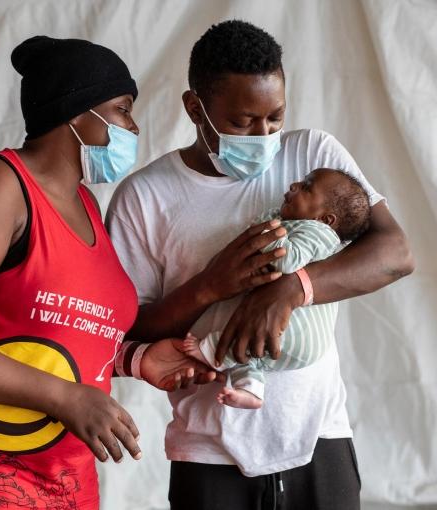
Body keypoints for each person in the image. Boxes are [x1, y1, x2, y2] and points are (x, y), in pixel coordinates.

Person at [0, 36, 213, 510]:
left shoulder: (86, 206)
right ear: (77, 114)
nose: (133, 125)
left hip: (63, 483)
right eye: (122, 109)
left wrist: (135, 361)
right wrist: (66, 399)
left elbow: (62, 339)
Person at [106, 21, 414, 510]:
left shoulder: (313, 157)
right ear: (194, 108)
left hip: (320, 436)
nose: (264, 135)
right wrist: (210, 286)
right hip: (208, 449)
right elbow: (124, 330)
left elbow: (395, 253)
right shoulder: (145, 198)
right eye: (242, 122)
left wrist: (292, 289)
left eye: (275, 117)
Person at [182, 168, 372, 409]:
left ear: (326, 219)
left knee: (243, 336)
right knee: (249, 352)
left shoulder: (319, 233)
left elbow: (287, 260)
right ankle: (250, 389)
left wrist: (268, 228)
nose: (294, 185)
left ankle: (212, 351)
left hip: (300, 333)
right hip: (294, 338)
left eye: (306, 187)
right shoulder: (301, 226)